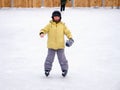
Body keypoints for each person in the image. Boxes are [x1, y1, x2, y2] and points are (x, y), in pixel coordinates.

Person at [39, 10, 74, 77]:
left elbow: (68, 32)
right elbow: (44, 29)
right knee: (49, 58)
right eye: (55, 17)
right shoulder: (49, 25)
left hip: (60, 46)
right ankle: (47, 70)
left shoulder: (63, 25)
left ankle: (64, 70)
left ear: (60, 17)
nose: (56, 18)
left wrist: (70, 38)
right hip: (51, 46)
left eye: (57, 17)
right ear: (52, 17)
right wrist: (42, 33)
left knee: (62, 59)